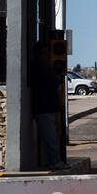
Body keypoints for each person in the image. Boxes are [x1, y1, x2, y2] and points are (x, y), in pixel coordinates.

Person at [28, 40, 67, 170]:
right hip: (44, 106)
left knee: (49, 134)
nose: (48, 56)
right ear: (39, 54)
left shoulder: (39, 67)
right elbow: (54, 82)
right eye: (45, 53)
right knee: (49, 135)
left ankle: (52, 159)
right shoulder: (41, 67)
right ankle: (54, 160)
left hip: (44, 106)